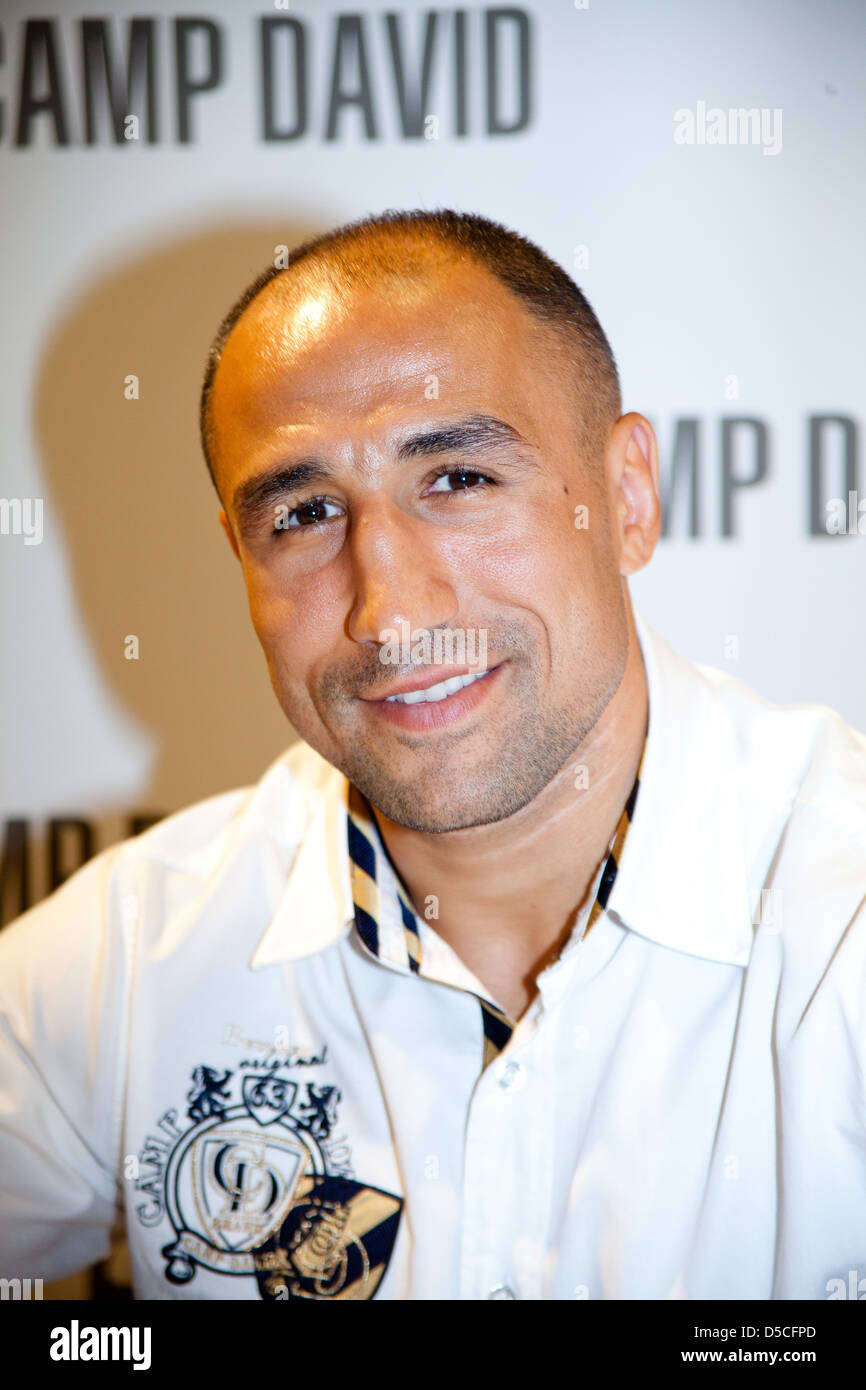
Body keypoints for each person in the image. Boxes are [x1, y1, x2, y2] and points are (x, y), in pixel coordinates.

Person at [1, 208, 865, 1302]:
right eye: (305, 512)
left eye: (457, 478)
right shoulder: (136, 952)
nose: (390, 610)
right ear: (238, 555)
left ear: (628, 495)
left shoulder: (840, 922)